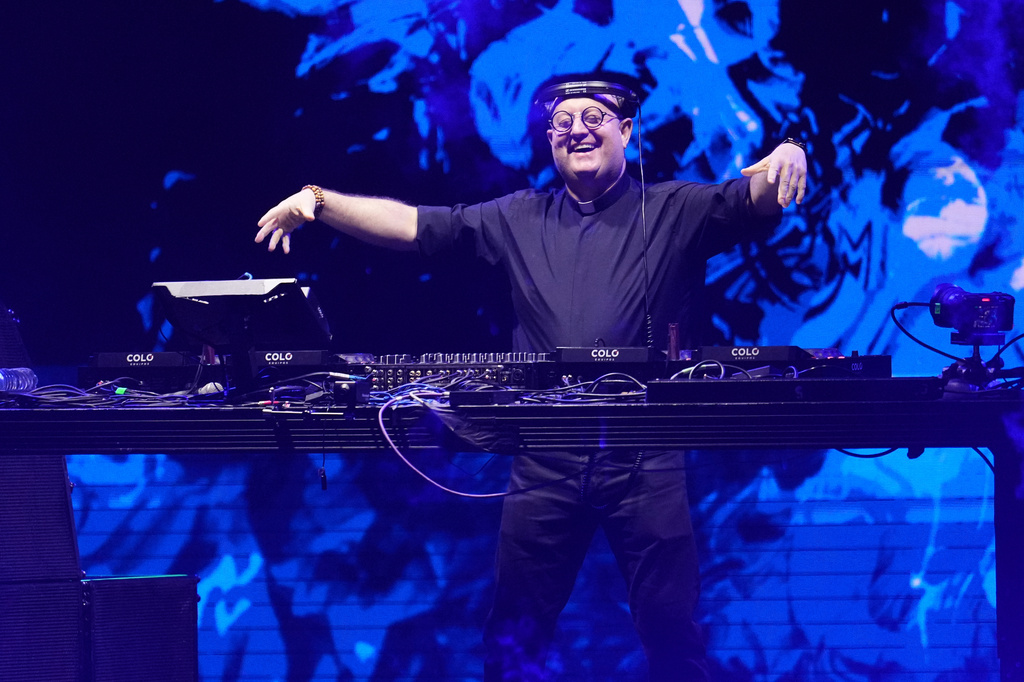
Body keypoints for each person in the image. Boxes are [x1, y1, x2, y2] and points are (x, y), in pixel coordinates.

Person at [256, 76, 807, 681]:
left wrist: (788, 152)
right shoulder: (519, 216)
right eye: (562, 122)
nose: (576, 129)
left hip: (644, 457)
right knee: (514, 635)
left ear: (627, 131)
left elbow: (756, 199)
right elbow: (414, 226)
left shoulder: (676, 208)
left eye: (593, 117)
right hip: (546, 456)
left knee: (670, 628)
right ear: (549, 141)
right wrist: (318, 200)